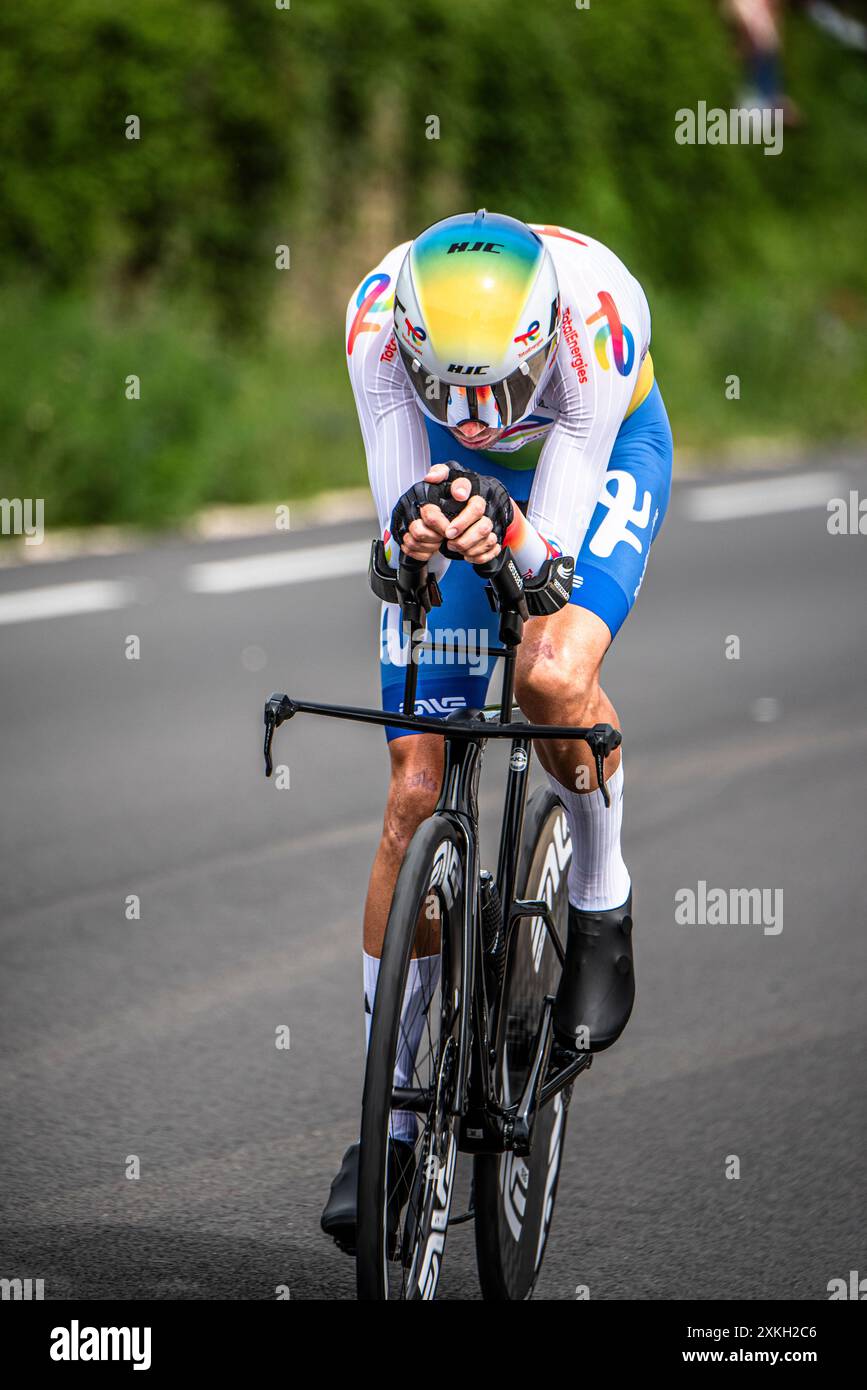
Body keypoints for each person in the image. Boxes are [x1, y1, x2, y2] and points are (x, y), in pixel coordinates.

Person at [321, 210, 673, 1250]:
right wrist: (416, 532)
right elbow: (399, 556)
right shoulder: (377, 322)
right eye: (450, 393)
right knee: (413, 786)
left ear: (541, 341)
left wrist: (505, 527)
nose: (474, 418)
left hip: (593, 454)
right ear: (413, 351)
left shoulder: (596, 330)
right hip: (459, 488)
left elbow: (545, 573)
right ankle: (384, 1129)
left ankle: (601, 900)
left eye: (495, 391)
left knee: (551, 674)